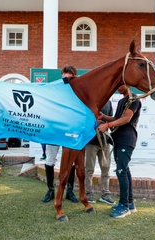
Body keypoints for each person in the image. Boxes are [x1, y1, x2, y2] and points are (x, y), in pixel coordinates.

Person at [98, 85, 141, 218]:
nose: (117, 87)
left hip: (126, 139)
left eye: (119, 84)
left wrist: (107, 125)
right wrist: (104, 117)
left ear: (127, 84)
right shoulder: (123, 100)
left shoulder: (133, 99)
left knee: (121, 171)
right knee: (124, 170)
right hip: (119, 139)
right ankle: (130, 203)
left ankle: (124, 206)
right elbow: (117, 118)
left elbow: (126, 119)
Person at [42, 66, 79, 203]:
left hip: (70, 131)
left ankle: (69, 190)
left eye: (70, 78)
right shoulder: (54, 91)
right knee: (50, 160)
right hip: (54, 131)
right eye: (65, 78)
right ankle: (50, 190)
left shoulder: (77, 92)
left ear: (74, 77)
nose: (67, 81)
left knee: (71, 161)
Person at [85, 100, 115, 204]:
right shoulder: (90, 100)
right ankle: (88, 193)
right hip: (91, 141)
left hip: (105, 141)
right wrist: (94, 123)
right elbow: (84, 119)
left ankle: (105, 194)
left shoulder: (109, 102)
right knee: (89, 169)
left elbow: (111, 119)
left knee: (106, 170)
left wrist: (107, 124)